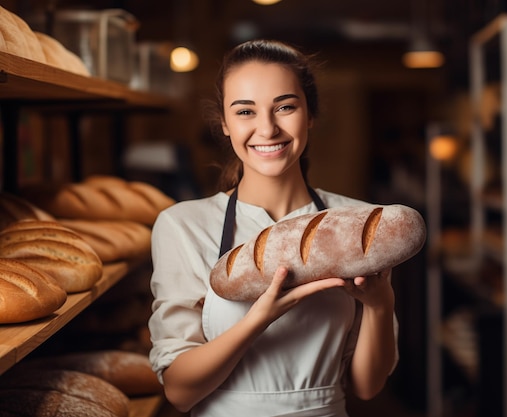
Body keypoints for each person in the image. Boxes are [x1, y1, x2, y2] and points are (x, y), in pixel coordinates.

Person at [148, 39, 399, 417]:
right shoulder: (183, 225)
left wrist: (381, 305)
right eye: (245, 111)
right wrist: (258, 319)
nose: (267, 128)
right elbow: (180, 392)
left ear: (309, 115)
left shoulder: (358, 222)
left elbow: (366, 386)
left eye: (285, 107)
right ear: (225, 124)